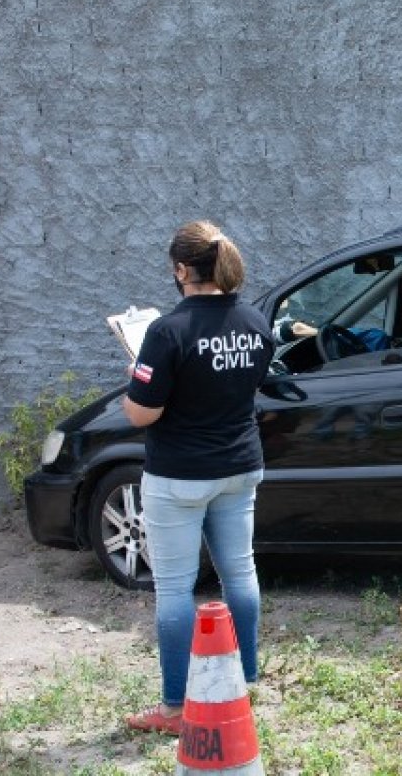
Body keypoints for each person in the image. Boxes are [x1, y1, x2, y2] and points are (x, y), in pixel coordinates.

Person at [121, 220, 275, 735]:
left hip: (180, 478)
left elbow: (141, 414)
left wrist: (136, 378)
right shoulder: (255, 322)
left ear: (183, 270)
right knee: (241, 574)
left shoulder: (166, 332)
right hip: (239, 468)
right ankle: (245, 684)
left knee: (174, 589)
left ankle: (173, 708)